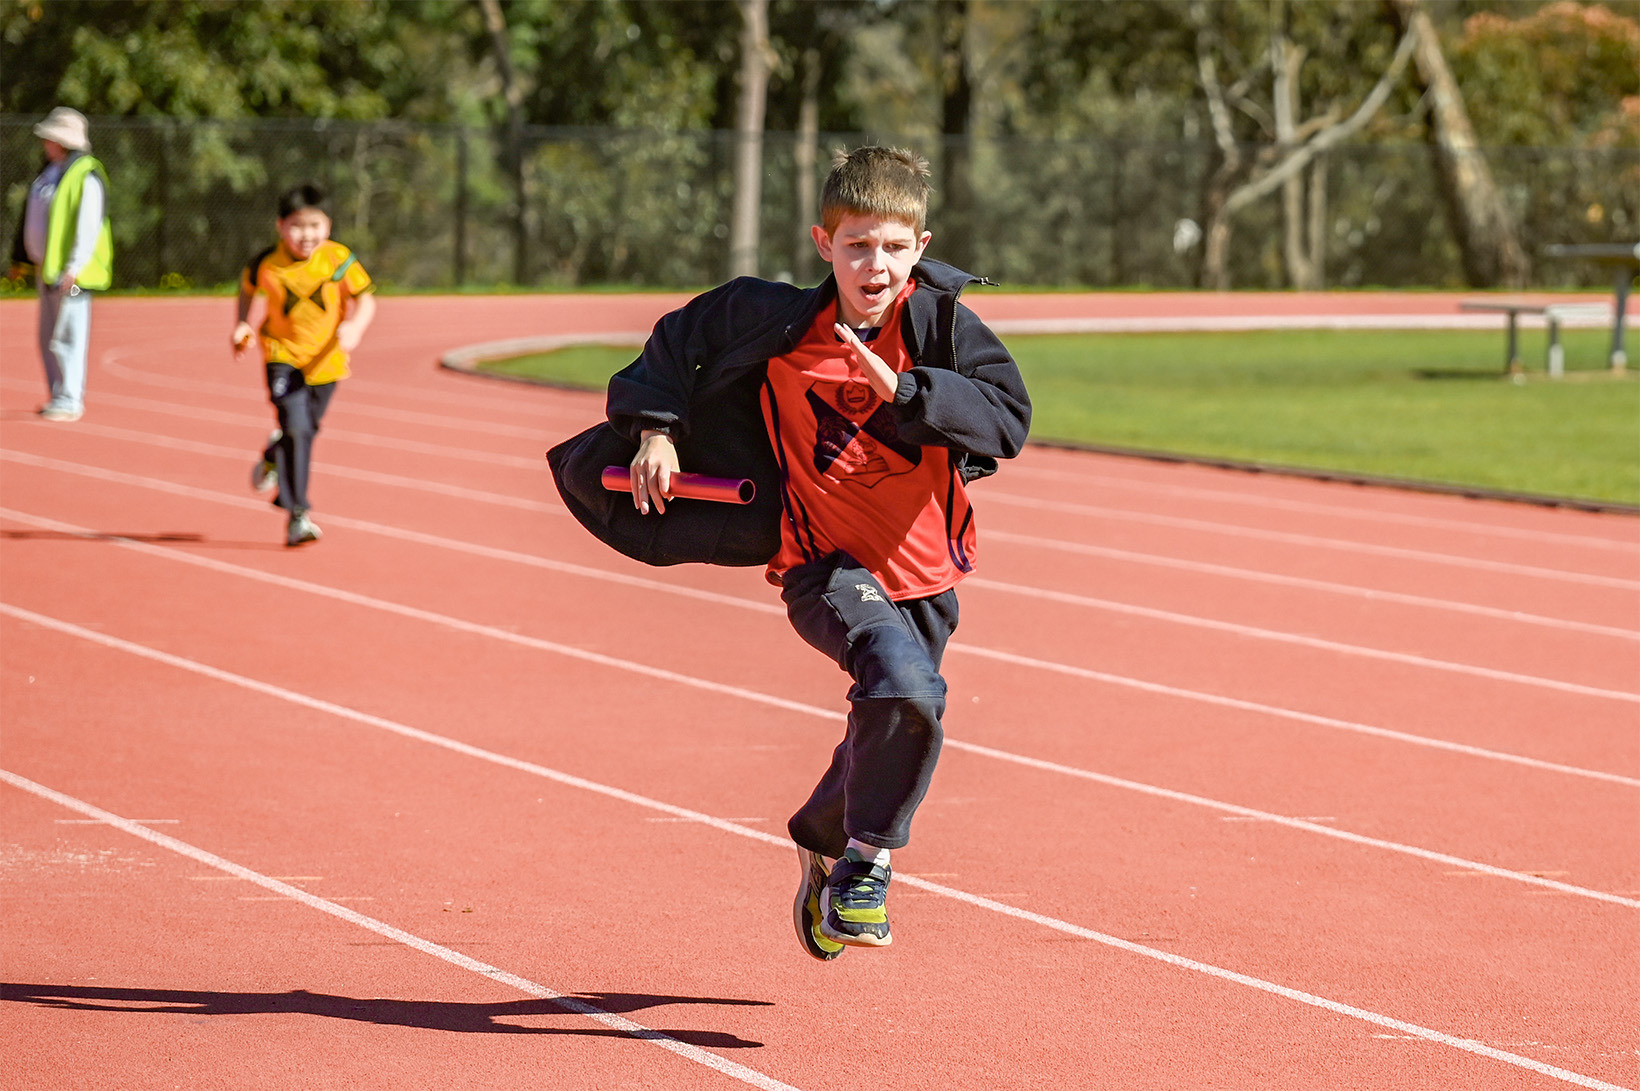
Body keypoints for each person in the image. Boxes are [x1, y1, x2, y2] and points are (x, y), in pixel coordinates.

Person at [548, 146, 1030, 960]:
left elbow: (1007, 418)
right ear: (823, 243)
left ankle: (819, 831)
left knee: (898, 709)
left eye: (892, 246)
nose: (873, 264)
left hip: (927, 573)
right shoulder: (771, 320)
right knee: (908, 687)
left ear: (920, 245)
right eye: (855, 246)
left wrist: (908, 393)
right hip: (825, 564)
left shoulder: (945, 327)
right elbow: (676, 341)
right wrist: (657, 431)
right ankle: (866, 867)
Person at [233, 183, 376, 548]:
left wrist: (355, 327)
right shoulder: (267, 262)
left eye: (315, 226)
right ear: (280, 226)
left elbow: (366, 300)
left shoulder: (338, 259)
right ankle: (298, 515)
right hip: (283, 357)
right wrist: (243, 324)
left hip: (327, 363)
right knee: (298, 428)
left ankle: (273, 454)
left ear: (327, 227)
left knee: (304, 429)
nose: (306, 235)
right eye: (297, 226)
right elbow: (248, 287)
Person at [8, 106, 114, 423]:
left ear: (62, 140)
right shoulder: (51, 172)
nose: (45, 143)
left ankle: (70, 397)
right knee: (48, 336)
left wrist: (75, 266)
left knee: (69, 333)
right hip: (49, 269)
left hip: (74, 274)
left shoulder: (86, 174)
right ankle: (57, 393)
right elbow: (33, 219)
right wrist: (22, 259)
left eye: (49, 137)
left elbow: (88, 224)